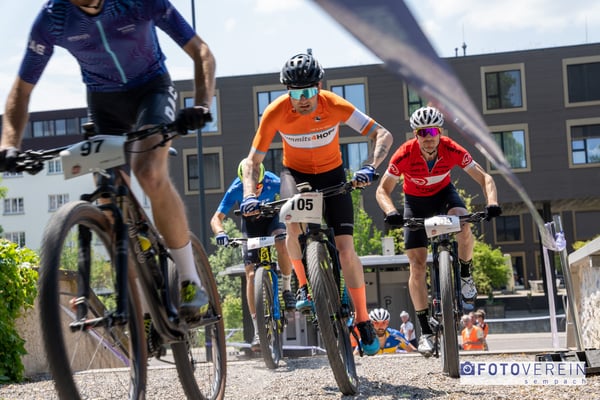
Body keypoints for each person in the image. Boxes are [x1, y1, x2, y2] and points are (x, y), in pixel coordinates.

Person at [0, 0, 216, 320]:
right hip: (103, 103)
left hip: (152, 91)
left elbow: (202, 52)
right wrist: (8, 144)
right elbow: (22, 89)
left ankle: (189, 279)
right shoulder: (54, 17)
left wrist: (201, 105)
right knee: (107, 203)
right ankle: (139, 315)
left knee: (149, 173)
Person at [238, 50, 394, 355]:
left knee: (346, 249)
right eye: (296, 94)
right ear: (287, 91)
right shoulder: (275, 112)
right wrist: (248, 195)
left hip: (332, 174)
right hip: (295, 174)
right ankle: (303, 285)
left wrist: (370, 166)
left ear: (319, 86)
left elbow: (382, 134)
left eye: (308, 92)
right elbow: (252, 162)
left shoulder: (334, 104)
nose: (303, 100)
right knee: (291, 220)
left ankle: (362, 319)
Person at [375, 105, 501, 357]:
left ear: (440, 132)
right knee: (417, 266)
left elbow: (485, 178)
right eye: (422, 132)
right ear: (415, 135)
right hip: (415, 204)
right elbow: (382, 190)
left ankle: (465, 274)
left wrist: (492, 203)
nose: (428, 137)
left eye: (432, 131)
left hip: (444, 196)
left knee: (463, 222)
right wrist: (391, 212)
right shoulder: (403, 154)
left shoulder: (451, 149)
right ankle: (425, 331)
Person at [210, 159, 296, 350]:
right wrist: (220, 233)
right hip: (251, 227)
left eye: (259, 186)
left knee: (282, 241)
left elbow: (294, 195)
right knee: (250, 274)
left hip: (272, 220)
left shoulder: (273, 181)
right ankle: (258, 330)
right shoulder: (236, 188)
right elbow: (216, 218)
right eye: (251, 187)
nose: (255, 190)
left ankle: (286, 288)